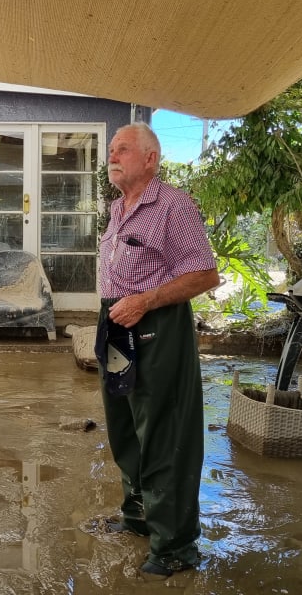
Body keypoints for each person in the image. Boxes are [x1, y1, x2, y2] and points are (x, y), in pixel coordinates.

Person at [96, 121, 220, 576]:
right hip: (115, 323)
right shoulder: (118, 208)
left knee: (165, 434)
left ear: (150, 158)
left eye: (123, 149)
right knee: (125, 425)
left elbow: (205, 274)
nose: (113, 156)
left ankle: (175, 547)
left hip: (157, 325)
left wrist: (146, 300)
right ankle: (139, 518)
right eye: (112, 149)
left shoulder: (173, 205)